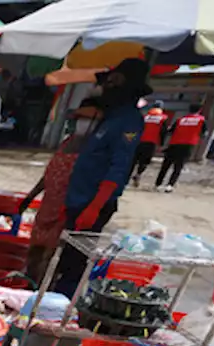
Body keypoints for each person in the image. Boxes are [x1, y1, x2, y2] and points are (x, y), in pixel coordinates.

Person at [52, 58, 149, 296]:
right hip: (79, 200)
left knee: (76, 261)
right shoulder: (109, 118)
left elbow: (118, 168)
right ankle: (56, 296)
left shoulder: (129, 121)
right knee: (66, 258)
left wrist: (94, 207)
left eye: (112, 83)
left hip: (93, 203)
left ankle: (60, 305)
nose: (105, 88)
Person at [18, 99, 103, 284]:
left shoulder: (94, 151)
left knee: (50, 258)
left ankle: (38, 292)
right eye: (80, 119)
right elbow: (48, 174)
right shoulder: (67, 143)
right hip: (47, 209)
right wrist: (30, 197)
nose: (81, 124)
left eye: (86, 120)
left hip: (65, 211)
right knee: (34, 253)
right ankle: (27, 285)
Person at [155, 103, 207, 193]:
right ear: (199, 110)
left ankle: (158, 184)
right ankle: (170, 185)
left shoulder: (180, 119)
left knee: (166, 165)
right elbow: (204, 134)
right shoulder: (201, 120)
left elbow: (170, 131)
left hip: (174, 144)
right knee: (178, 166)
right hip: (187, 145)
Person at [131, 100, 168, 187]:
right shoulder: (163, 118)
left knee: (133, 160)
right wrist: (161, 144)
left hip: (139, 141)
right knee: (145, 161)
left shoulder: (145, 117)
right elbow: (163, 132)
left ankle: (126, 178)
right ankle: (138, 174)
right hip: (151, 142)